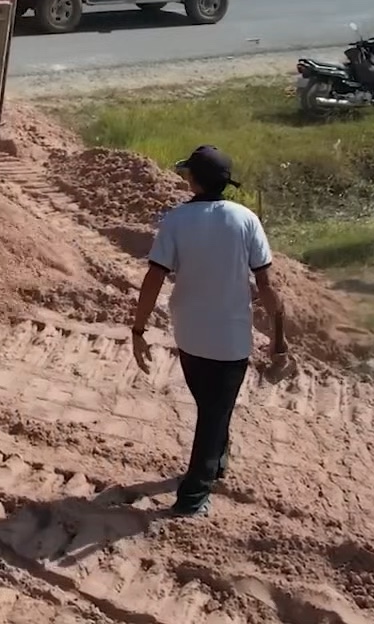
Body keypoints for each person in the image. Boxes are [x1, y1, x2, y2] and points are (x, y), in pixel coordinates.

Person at [130, 145, 289, 518]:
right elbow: (266, 285)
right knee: (214, 412)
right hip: (230, 336)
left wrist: (138, 329)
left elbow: (154, 277)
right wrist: (279, 336)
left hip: (187, 330)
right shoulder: (246, 219)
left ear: (194, 180)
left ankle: (216, 461)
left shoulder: (175, 220)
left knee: (212, 406)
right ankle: (192, 496)